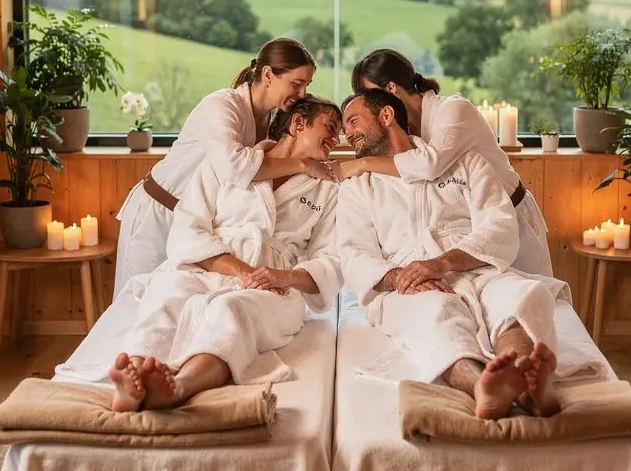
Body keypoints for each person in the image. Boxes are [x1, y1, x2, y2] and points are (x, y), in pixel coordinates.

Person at [337, 90, 565, 421]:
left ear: (386, 116)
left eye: (353, 120)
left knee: (519, 295)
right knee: (438, 313)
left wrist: (443, 263)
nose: (348, 133)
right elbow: (354, 254)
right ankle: (482, 386)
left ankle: (527, 381)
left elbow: (499, 226)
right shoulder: (358, 187)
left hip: (475, 267)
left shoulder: (463, 161)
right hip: (408, 282)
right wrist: (400, 276)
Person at [106, 96, 343, 412]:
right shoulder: (231, 165)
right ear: (298, 123)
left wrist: (281, 276)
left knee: (231, 310)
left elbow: (331, 259)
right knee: (167, 294)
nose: (337, 139)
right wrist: (242, 270)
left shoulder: (327, 187)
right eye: (330, 127)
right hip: (211, 264)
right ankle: (133, 373)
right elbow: (189, 228)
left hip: (273, 282)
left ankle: (179, 385)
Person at [114, 37, 332, 295]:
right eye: (296, 84)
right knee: (132, 303)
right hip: (159, 212)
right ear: (268, 74)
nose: (302, 94)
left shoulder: (270, 119)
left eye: (306, 85)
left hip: (196, 220)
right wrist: (303, 165)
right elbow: (236, 170)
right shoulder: (222, 105)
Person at [335, 48, 552, 276]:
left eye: (369, 95)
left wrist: (363, 163)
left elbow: (430, 165)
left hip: (508, 216)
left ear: (391, 88)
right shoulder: (406, 129)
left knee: (527, 296)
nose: (367, 102)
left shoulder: (454, 109)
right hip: (471, 226)